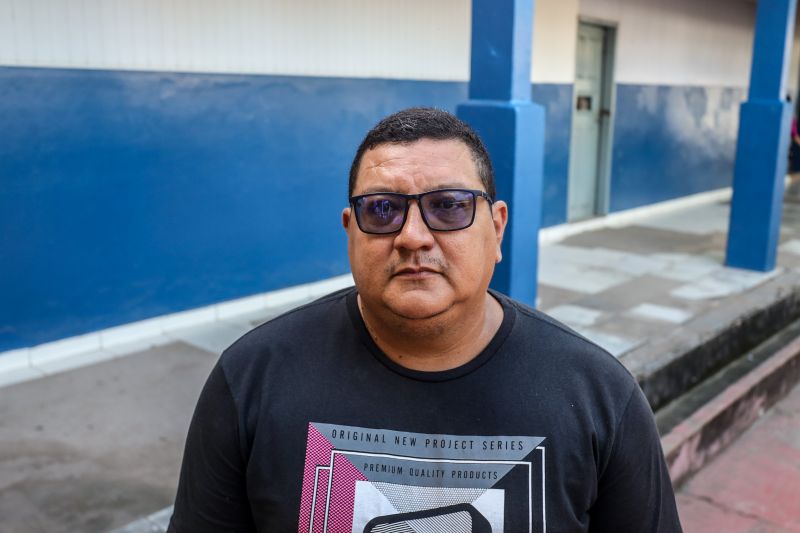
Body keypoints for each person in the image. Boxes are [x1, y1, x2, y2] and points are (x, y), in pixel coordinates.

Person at [168, 107, 682, 532]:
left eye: (449, 206)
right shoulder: (252, 379)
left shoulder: (600, 396)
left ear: (496, 228)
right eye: (383, 210)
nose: (413, 235)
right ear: (351, 232)